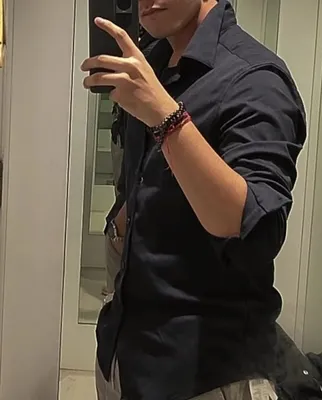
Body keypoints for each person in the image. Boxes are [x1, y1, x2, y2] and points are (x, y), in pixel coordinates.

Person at [81, 1, 306, 399]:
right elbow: (145, 176)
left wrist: (165, 117)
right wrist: (120, 225)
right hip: (122, 353)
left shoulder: (256, 79)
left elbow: (250, 227)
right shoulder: (151, 63)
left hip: (203, 374)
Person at [103, 28, 158, 297]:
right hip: (123, 137)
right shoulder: (143, 44)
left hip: (136, 223)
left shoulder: (160, 56)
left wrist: (123, 221)